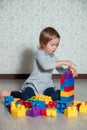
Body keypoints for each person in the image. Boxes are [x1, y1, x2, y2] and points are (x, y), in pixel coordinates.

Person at [0, 27, 77, 101]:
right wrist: (64, 61)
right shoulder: (39, 53)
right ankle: (11, 93)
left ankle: (56, 92)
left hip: (47, 86)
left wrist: (69, 71)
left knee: (54, 96)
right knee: (25, 96)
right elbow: (45, 66)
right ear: (43, 43)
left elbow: (61, 71)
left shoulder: (53, 57)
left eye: (57, 45)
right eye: (52, 45)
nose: (55, 48)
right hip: (34, 85)